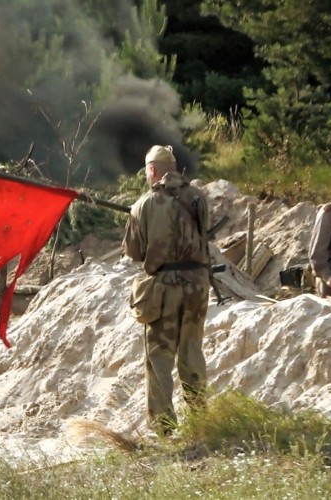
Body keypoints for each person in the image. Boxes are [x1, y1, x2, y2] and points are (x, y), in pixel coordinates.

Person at [122, 145, 211, 436]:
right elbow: (203, 234)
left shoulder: (144, 204)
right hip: (197, 285)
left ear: (151, 170)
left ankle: (164, 429)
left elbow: (135, 252)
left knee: (160, 358)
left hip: (165, 287)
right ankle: (200, 421)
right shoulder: (199, 198)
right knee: (192, 352)